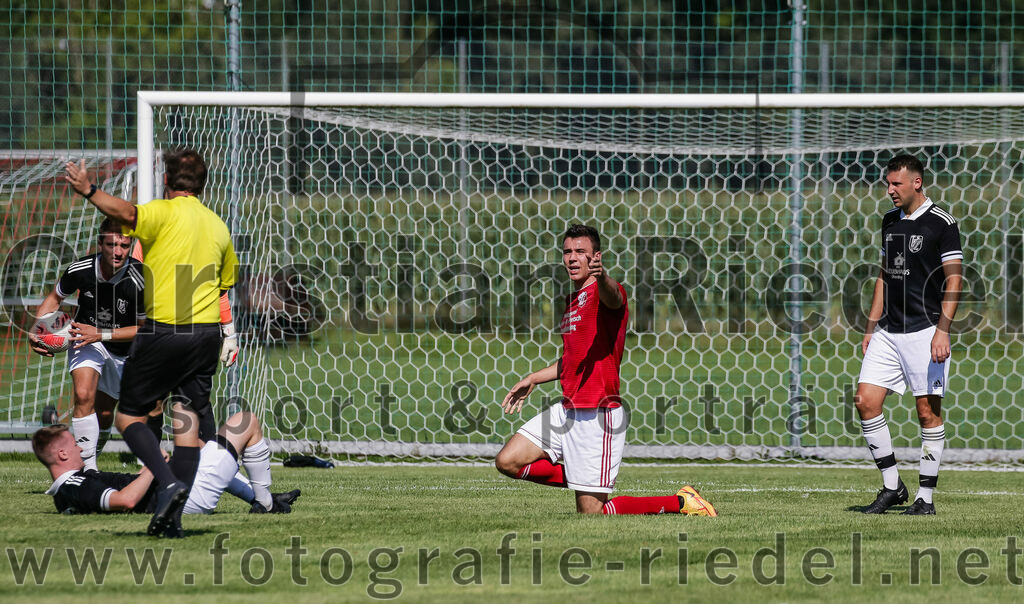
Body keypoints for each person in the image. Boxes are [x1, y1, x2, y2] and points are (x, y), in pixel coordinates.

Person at [65, 148, 240, 537]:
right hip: (206, 336)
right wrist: (229, 333)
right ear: (203, 184)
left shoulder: (163, 212)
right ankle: (171, 520)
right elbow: (224, 284)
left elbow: (126, 213)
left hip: (165, 331)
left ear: (165, 180)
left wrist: (89, 189)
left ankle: (168, 480)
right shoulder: (218, 226)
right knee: (187, 425)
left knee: (128, 417)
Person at [495, 224, 717, 516]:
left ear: (596, 257)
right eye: (567, 252)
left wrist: (602, 278)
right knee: (507, 460)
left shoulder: (607, 294)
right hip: (567, 410)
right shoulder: (572, 302)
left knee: (592, 516)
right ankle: (585, 476)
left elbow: (614, 296)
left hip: (598, 415)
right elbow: (573, 360)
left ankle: (682, 502)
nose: (572, 258)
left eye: (580, 252)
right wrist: (533, 379)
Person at [855, 154, 963, 515]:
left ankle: (925, 499)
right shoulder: (889, 221)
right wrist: (871, 327)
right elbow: (884, 276)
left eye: (896, 184)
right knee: (865, 401)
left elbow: (955, 279)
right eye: (888, 184)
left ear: (917, 182)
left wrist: (942, 331)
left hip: (926, 331)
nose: (890, 190)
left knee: (927, 414)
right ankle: (892, 487)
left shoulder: (941, 223)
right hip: (888, 331)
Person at [28, 218, 146, 471]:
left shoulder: (140, 278)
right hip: (84, 337)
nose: (118, 252)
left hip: (125, 348)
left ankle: (97, 456)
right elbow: (54, 298)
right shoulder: (80, 270)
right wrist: (36, 328)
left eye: (124, 246)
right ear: (100, 244)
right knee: (83, 396)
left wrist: (101, 334)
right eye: (111, 244)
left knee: (106, 414)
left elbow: (144, 329)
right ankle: (88, 472)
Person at [32, 411, 299, 517]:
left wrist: (147, 472)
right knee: (246, 421)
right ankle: (266, 504)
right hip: (183, 498)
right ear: (62, 455)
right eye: (74, 444)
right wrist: (153, 466)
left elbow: (121, 494)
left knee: (197, 444)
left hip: (174, 491)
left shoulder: (68, 488)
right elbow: (125, 501)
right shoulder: (73, 484)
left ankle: (260, 497)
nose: (80, 447)